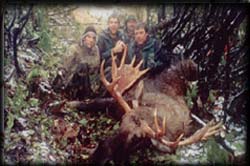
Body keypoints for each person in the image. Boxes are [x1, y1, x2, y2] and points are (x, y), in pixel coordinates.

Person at [53, 26, 100, 100]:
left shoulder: (95, 50)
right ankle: (82, 95)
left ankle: (87, 95)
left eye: (94, 38)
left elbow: (95, 66)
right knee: (83, 66)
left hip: (87, 81)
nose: (91, 40)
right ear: (84, 38)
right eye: (89, 37)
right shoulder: (74, 48)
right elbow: (64, 66)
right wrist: (61, 76)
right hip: (72, 80)